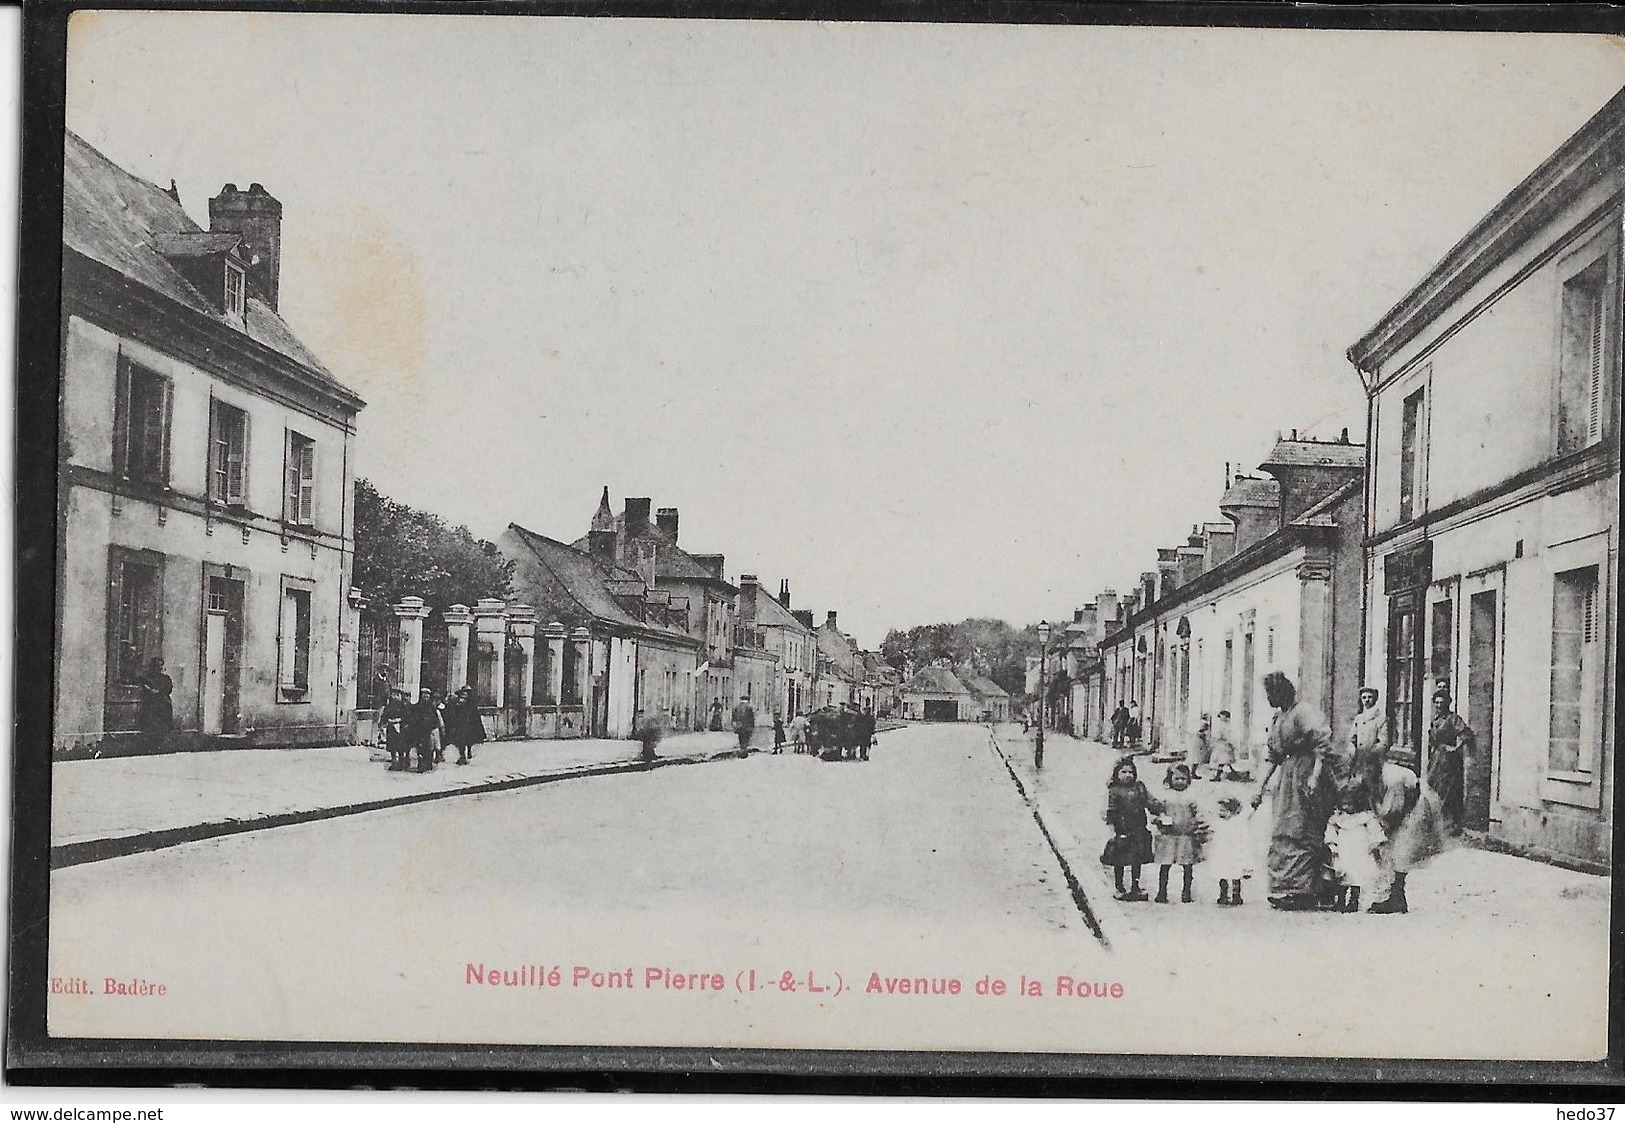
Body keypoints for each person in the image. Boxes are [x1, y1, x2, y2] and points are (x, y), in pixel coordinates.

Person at [1250, 671, 1336, 911]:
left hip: (1307, 775)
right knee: (1283, 829)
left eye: (1270, 693)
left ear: (1282, 691)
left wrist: (1315, 776)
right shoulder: (1279, 718)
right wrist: (1260, 787)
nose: (1268, 697)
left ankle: (1308, 890)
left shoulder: (1303, 712)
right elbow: (1272, 756)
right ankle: (1286, 887)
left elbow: (1321, 744)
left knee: (1303, 831)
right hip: (1287, 780)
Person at [1365, 744, 1447, 913]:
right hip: (1409, 807)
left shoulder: (1392, 777)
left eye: (1369, 766)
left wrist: (1386, 828)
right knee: (1395, 850)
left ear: (1377, 764)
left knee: (1402, 850)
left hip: (1418, 807)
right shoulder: (1377, 777)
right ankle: (1396, 898)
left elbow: (1396, 809)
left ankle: (1396, 899)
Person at [1101, 756, 1156, 902]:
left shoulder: (1139, 787)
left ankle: (1135, 886)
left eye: (1130, 772)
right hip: (1122, 830)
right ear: (1117, 774)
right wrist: (1113, 829)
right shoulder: (1114, 790)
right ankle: (1119, 886)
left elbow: (1149, 802)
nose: (1127, 775)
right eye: (1123, 772)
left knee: (1137, 859)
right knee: (1120, 860)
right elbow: (1111, 810)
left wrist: (1160, 810)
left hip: (1139, 829)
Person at [1151, 763, 1207, 904]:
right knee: (1165, 864)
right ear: (1170, 779)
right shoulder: (1165, 796)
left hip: (1185, 835)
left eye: (1183, 779)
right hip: (1168, 835)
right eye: (1177, 778)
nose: (1180, 781)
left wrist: (1198, 823)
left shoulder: (1191, 797)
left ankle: (1186, 892)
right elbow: (1157, 811)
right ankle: (1162, 891)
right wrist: (1160, 819)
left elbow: (1198, 813)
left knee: (1187, 865)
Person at [1325, 787, 1383, 913]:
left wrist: (1374, 844)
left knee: (1357, 876)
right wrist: (1332, 845)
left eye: (1349, 803)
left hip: (1359, 851)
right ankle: (1340, 900)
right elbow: (1331, 831)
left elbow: (1374, 831)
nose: (1346, 807)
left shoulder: (1365, 817)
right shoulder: (1338, 818)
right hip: (1344, 850)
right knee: (1342, 874)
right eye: (1343, 804)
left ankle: (1353, 900)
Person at [1428, 684, 1474, 834]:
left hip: (1449, 761)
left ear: (1447, 703)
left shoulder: (1453, 718)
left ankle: (1451, 825)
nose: (1439, 705)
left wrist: (1454, 748)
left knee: (1449, 791)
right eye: (1437, 702)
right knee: (1434, 788)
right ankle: (1437, 823)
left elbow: (1466, 734)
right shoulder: (1435, 719)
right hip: (1436, 759)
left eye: (1442, 702)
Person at [1206, 796, 1254, 906]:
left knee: (1235, 875)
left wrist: (1253, 805)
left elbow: (1248, 813)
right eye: (1220, 810)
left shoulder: (1238, 820)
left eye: (1224, 810)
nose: (1220, 813)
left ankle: (1236, 896)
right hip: (1222, 854)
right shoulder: (1218, 822)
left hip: (1235, 854)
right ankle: (1223, 895)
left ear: (1232, 811)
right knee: (1222, 875)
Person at [443, 685, 485, 766]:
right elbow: (452, 713)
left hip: (469, 725)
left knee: (468, 740)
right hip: (460, 725)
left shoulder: (471, 704)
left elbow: (476, 716)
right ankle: (462, 756)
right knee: (461, 741)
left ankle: (467, 752)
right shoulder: (457, 702)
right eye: (463, 693)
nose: (465, 695)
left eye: (466, 693)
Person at [137, 658, 174, 741]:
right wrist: (152, 691)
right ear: (152, 667)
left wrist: (157, 691)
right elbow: (146, 688)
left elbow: (168, 689)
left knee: (164, 723)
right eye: (156, 666)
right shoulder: (146, 678)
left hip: (164, 704)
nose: (159, 668)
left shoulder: (166, 678)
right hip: (151, 704)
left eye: (161, 665)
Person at [380, 688, 413, 772]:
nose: (395, 697)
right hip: (391, 728)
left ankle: (402, 762)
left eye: (397, 695)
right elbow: (385, 715)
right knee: (392, 746)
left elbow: (407, 716)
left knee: (401, 746)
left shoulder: (403, 706)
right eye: (393, 695)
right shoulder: (389, 706)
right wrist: (383, 722)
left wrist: (404, 723)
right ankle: (394, 761)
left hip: (401, 727)